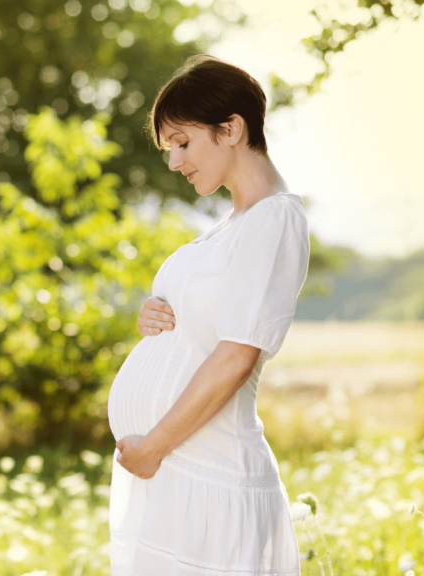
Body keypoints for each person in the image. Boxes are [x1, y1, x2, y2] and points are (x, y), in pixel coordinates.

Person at [107, 55, 310, 575]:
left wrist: (152, 447)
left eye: (182, 142)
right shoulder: (234, 223)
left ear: (232, 129)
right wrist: (157, 317)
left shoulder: (273, 219)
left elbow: (236, 357)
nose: (174, 162)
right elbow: (201, 328)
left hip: (211, 477)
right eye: (168, 148)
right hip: (180, 475)